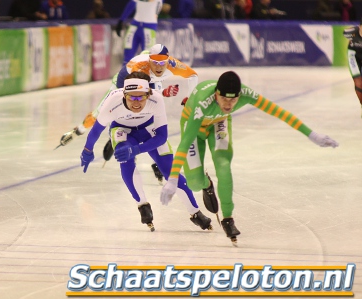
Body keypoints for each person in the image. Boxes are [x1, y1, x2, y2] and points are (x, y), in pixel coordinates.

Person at [160, 71, 338, 245]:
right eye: (224, 99)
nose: (229, 105)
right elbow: (185, 143)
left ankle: (228, 219)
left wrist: (312, 135)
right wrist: (173, 178)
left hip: (218, 124)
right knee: (194, 183)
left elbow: (279, 112)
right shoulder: (202, 103)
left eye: (233, 100)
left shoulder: (246, 93)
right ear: (216, 95)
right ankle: (206, 184)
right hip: (194, 128)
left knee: (223, 166)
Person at [80, 72, 213, 232]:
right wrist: (87, 150)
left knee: (171, 171)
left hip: (149, 129)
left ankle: (195, 213)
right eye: (131, 98)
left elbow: (162, 137)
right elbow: (95, 131)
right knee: (124, 157)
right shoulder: (112, 101)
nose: (136, 103)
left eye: (141, 98)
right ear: (124, 94)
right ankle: (142, 204)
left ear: (148, 94)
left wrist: (136, 149)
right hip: (123, 131)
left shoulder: (156, 99)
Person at [58, 44, 199, 183]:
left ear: (168, 61)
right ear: (148, 60)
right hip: (123, 84)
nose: (158, 67)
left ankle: (154, 160)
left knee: (149, 121)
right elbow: (139, 92)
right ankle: (78, 131)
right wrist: (163, 93)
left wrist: (191, 99)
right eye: (154, 62)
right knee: (97, 117)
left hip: (144, 86)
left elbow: (192, 75)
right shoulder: (140, 68)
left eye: (162, 62)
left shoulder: (173, 65)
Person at [116, 0, 163, 64]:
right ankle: (125, 73)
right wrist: (121, 21)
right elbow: (132, 4)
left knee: (147, 57)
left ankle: (145, 73)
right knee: (127, 57)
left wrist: (121, 20)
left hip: (149, 27)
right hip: (135, 25)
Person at [344, 22, 362, 116]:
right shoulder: (350, 32)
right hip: (353, 57)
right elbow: (345, 33)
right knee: (358, 82)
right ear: (359, 27)